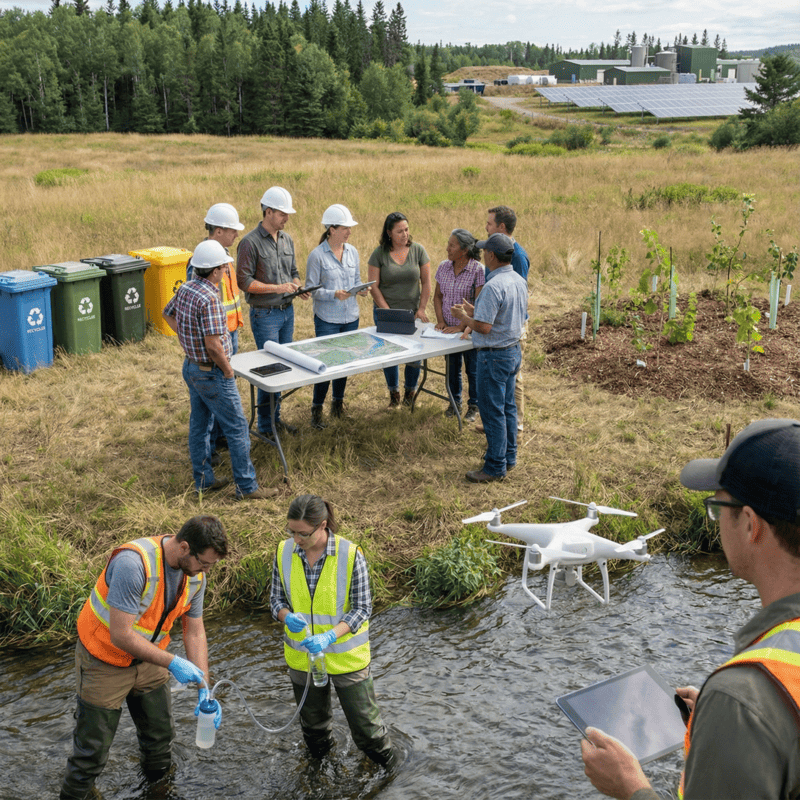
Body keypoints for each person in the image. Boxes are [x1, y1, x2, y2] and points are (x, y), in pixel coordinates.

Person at [580, 418, 800, 800]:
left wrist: (632, 788)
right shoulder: (747, 701)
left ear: (750, 524)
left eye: (718, 507)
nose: (715, 523)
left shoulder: (742, 698)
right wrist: (727, 724)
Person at [60, 515, 229, 800]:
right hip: (104, 661)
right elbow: (121, 635)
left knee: (160, 742)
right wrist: (173, 662)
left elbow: (195, 633)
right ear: (185, 547)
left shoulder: (195, 577)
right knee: (91, 755)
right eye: (205, 562)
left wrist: (205, 689)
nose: (206, 570)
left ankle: (158, 792)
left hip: (151, 660)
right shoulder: (134, 564)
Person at [270, 494, 395, 768]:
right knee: (314, 731)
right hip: (303, 659)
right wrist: (286, 616)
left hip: (347, 659)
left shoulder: (351, 555)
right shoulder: (283, 553)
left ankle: (390, 773)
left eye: (303, 533)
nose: (296, 539)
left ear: (323, 525)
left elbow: (362, 608)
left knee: (368, 732)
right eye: (291, 531)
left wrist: (329, 636)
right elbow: (275, 601)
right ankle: (320, 773)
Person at [163, 239, 278, 500]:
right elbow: (214, 344)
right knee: (237, 428)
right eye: (225, 268)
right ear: (215, 271)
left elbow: (166, 313)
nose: (227, 271)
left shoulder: (187, 288)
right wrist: (227, 371)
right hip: (212, 372)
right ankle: (247, 487)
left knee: (199, 425)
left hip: (192, 367)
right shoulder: (210, 298)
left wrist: (185, 338)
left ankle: (204, 480)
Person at [451, 233, 528, 483]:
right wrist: (476, 311)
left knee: (492, 411)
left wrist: (464, 318)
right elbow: (502, 315)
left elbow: (483, 328)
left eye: (485, 252)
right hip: (512, 352)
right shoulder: (517, 280)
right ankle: (509, 456)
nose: (483, 255)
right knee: (507, 407)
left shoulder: (493, 285)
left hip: (493, 357)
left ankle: (495, 466)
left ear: (492, 256)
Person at [235, 186, 310, 438]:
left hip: (287, 312)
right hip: (265, 315)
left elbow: (294, 271)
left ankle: (275, 420)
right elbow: (244, 282)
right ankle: (266, 427)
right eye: (282, 214)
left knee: (284, 368)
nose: (287, 218)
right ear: (268, 212)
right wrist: (279, 287)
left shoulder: (287, 239)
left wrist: (298, 287)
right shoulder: (249, 243)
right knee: (271, 369)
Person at [186, 202, 246, 460]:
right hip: (212, 344)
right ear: (218, 230)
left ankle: (219, 441)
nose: (236, 235)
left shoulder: (223, 256)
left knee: (218, 400)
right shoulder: (203, 259)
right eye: (232, 230)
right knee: (213, 398)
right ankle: (210, 450)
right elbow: (191, 306)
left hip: (227, 332)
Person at [306, 204, 369, 430]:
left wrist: (361, 290)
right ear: (331, 229)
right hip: (327, 321)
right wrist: (334, 294)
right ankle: (316, 408)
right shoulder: (317, 256)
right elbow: (311, 290)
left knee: (343, 363)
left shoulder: (353, 252)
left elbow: (357, 279)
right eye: (345, 228)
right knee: (325, 365)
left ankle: (338, 404)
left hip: (350, 317)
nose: (349, 232)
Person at [368, 211, 431, 409]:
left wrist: (421, 308)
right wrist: (387, 312)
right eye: (399, 231)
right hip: (387, 312)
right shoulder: (379, 254)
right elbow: (374, 286)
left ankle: (410, 394)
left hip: (413, 313)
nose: (404, 234)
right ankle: (393, 394)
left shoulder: (418, 250)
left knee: (415, 354)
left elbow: (427, 281)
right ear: (389, 233)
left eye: (406, 229)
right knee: (390, 353)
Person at [478, 206, 530, 434]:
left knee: (513, 380)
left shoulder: (516, 257)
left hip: (508, 328)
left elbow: (512, 296)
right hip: (498, 323)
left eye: (489, 224)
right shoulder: (500, 256)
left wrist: (472, 319)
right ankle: (501, 425)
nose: (486, 227)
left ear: (501, 227)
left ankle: (514, 425)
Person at [433, 228, 485, 422]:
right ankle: (454, 402)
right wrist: (441, 321)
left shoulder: (477, 270)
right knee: (452, 367)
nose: (447, 248)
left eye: (452, 245)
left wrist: (462, 327)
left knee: (472, 368)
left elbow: (479, 306)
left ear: (463, 250)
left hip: (469, 332)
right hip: (447, 331)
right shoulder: (443, 267)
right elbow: (437, 297)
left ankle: (474, 405)